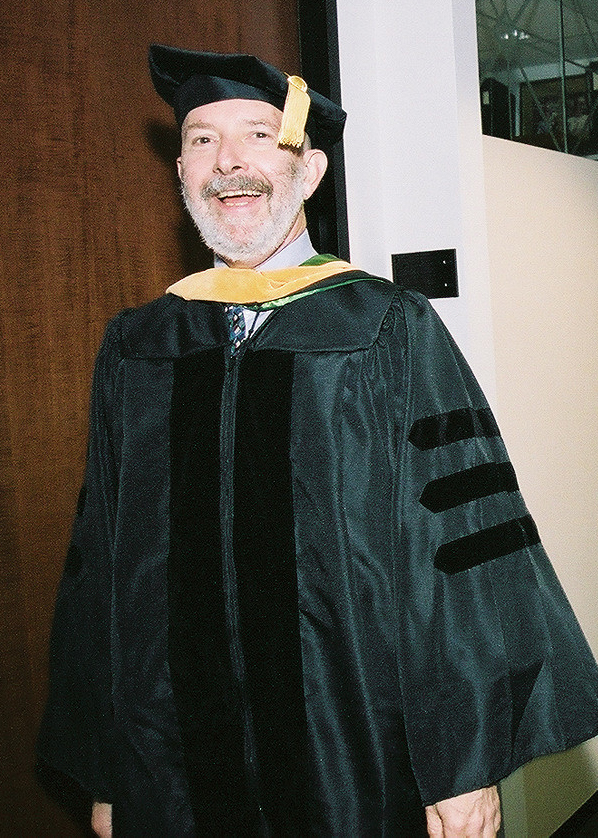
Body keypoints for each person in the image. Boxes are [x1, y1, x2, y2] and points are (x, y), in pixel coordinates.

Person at [37, 43, 598, 838]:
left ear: (311, 172)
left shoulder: (384, 330)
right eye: (202, 140)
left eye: (260, 136)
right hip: (173, 771)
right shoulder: (139, 346)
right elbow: (102, 568)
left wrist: (461, 763)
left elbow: (458, 554)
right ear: (181, 173)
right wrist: (107, 765)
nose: (229, 162)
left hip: (357, 753)